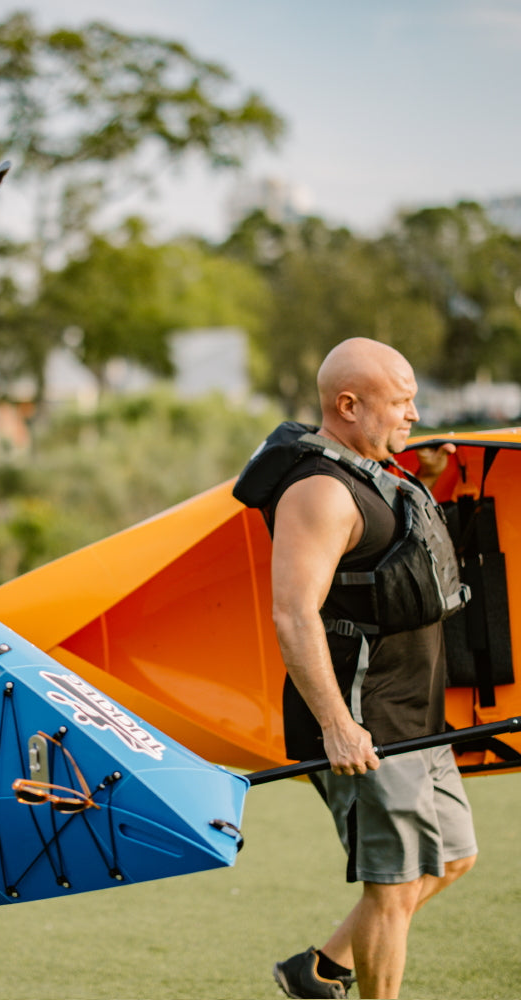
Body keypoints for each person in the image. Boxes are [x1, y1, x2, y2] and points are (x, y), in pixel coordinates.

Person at [235, 338, 477, 1000]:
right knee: (393, 884)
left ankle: (318, 970)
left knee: (454, 857)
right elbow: (293, 614)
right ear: (348, 404)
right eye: (400, 402)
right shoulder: (318, 492)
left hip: (414, 709)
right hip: (363, 717)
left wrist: (424, 470)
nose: (414, 415)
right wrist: (338, 725)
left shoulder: (376, 467)